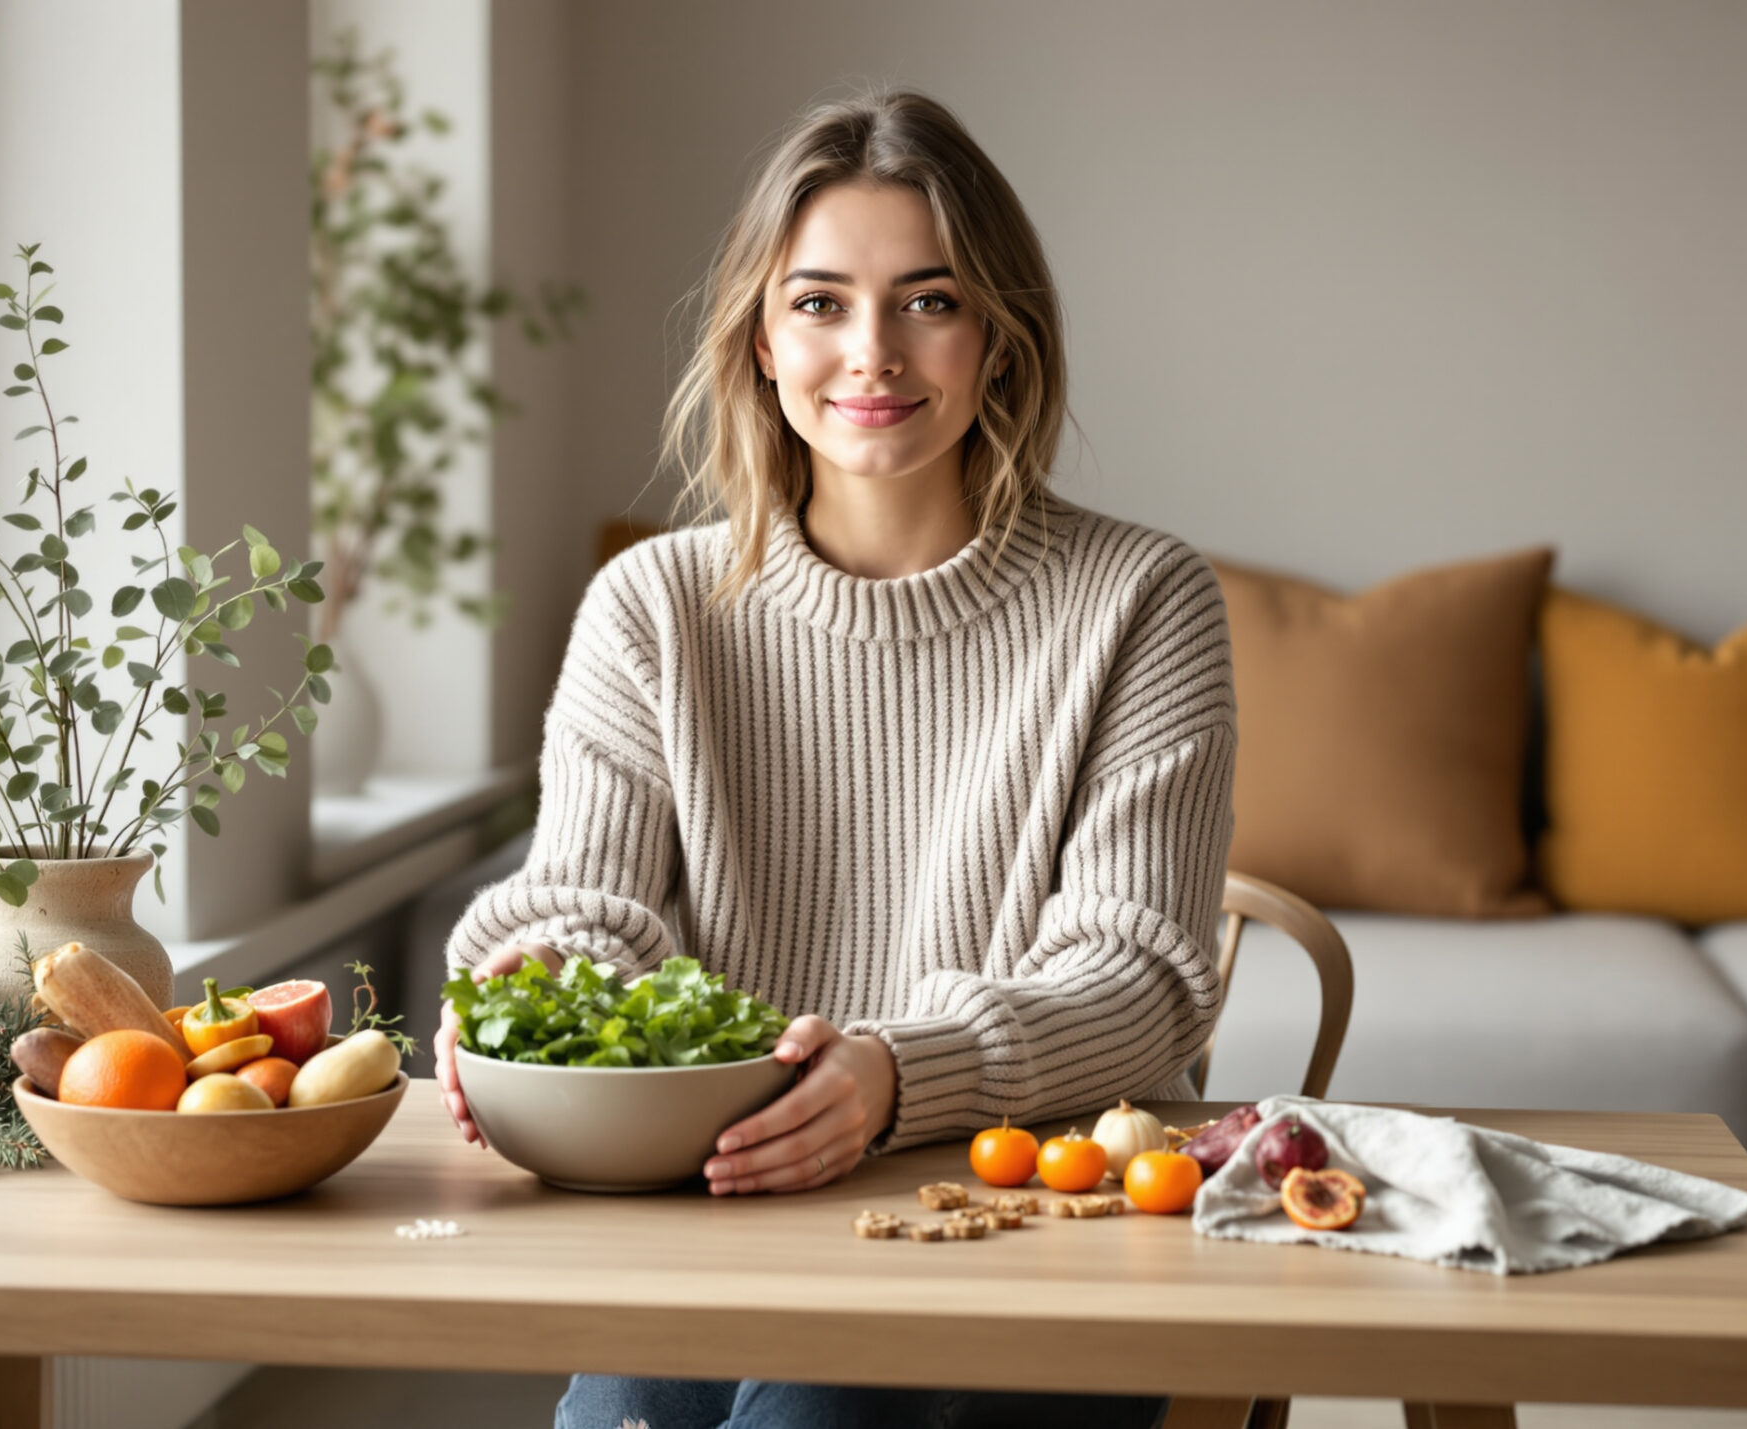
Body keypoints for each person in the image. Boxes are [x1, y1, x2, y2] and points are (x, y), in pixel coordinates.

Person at [438, 87, 1236, 1429]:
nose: (871, 352)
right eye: (819, 302)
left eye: (929, 300)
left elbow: (1142, 978)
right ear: (759, 337)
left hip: (1022, 1225)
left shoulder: (1142, 596)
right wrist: (541, 989)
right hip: (715, 1218)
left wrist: (895, 1070)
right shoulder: (656, 606)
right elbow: (585, 901)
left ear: (1000, 339)